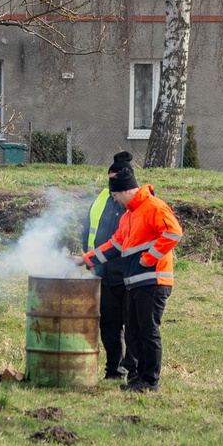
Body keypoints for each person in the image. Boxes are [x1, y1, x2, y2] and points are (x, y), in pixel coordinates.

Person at [73, 167, 183, 393]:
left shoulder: (154, 206)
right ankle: (138, 379)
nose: (114, 200)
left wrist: (148, 258)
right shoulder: (130, 215)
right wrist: (84, 260)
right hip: (135, 282)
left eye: (115, 196)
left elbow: (173, 232)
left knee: (147, 331)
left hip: (153, 282)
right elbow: (113, 246)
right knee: (134, 333)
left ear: (124, 191)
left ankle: (150, 381)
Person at [81, 151, 134, 380]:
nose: (111, 180)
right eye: (109, 176)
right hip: (103, 273)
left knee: (133, 326)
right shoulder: (101, 199)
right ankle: (113, 369)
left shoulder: (135, 202)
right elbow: (87, 232)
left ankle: (134, 369)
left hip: (130, 273)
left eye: (115, 176)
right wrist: (89, 262)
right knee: (109, 325)